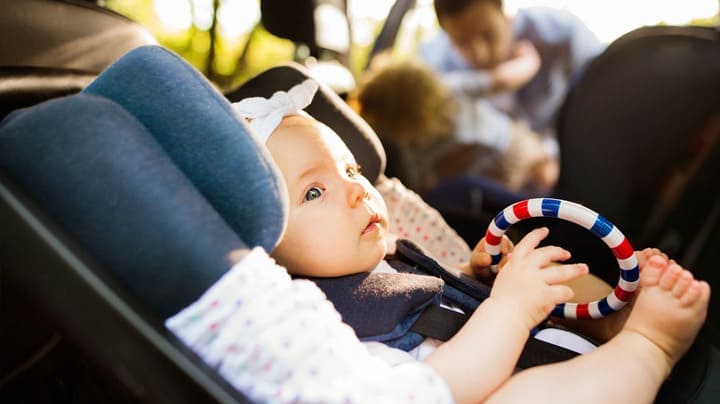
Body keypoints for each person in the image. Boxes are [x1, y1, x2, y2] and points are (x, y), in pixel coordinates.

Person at [224, 79, 710, 403]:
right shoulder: (319, 324)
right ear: (265, 244)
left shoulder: (391, 255)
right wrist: (511, 309)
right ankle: (651, 344)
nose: (356, 190)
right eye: (314, 191)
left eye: (350, 170)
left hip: (548, 355)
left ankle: (612, 318)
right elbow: (432, 387)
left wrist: (478, 279)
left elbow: (439, 309)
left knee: (542, 267)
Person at [419, 0, 606, 146]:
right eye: (462, 42)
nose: (480, 54)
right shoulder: (436, 65)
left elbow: (604, 97)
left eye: (488, 34)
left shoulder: (561, 36)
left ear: (503, 10)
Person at [352, 58, 558, 194]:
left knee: (532, 183)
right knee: (545, 173)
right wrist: (529, 60)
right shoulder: (450, 89)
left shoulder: (413, 144)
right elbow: (501, 79)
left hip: (491, 171)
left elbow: (422, 185)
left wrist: (445, 169)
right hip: (507, 144)